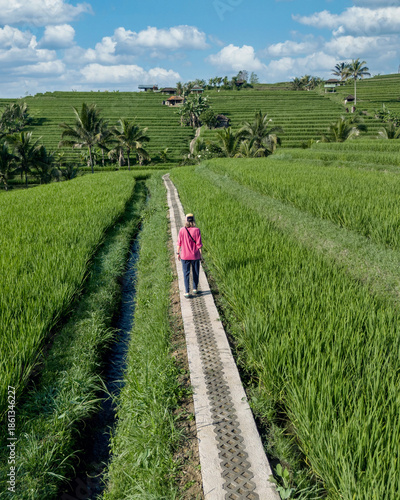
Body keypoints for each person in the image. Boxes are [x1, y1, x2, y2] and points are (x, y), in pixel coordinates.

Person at [177, 213, 202, 298]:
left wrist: (178, 253)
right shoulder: (197, 230)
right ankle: (195, 289)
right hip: (195, 256)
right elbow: (199, 244)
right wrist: (200, 254)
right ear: (193, 220)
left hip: (185, 256)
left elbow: (179, 243)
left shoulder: (182, 230)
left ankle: (187, 291)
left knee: (186, 273)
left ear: (186, 220)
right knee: (196, 272)